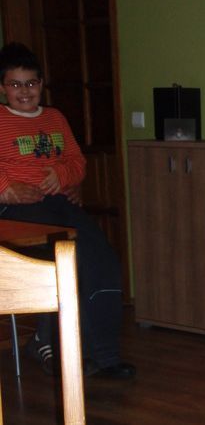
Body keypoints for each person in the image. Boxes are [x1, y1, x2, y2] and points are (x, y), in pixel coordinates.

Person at [0, 42, 135, 379]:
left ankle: (105, 355)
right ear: (3, 88)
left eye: (31, 83)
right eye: (15, 84)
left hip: (58, 203)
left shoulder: (54, 117)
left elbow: (76, 161)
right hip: (15, 209)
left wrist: (62, 176)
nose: (24, 91)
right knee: (63, 262)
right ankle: (55, 347)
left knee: (101, 259)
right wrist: (5, 188)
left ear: (41, 84)